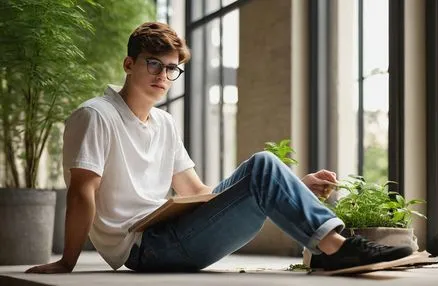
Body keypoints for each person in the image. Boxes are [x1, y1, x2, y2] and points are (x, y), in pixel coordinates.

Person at [26, 22, 412, 274]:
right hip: (145, 249)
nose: (164, 75)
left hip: (175, 231)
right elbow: (81, 193)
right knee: (263, 163)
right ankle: (337, 249)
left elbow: (198, 194)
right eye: (153, 64)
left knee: (263, 166)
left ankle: (334, 245)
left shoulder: (163, 123)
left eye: (171, 68)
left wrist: (289, 187)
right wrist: (67, 263)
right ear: (129, 63)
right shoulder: (97, 116)